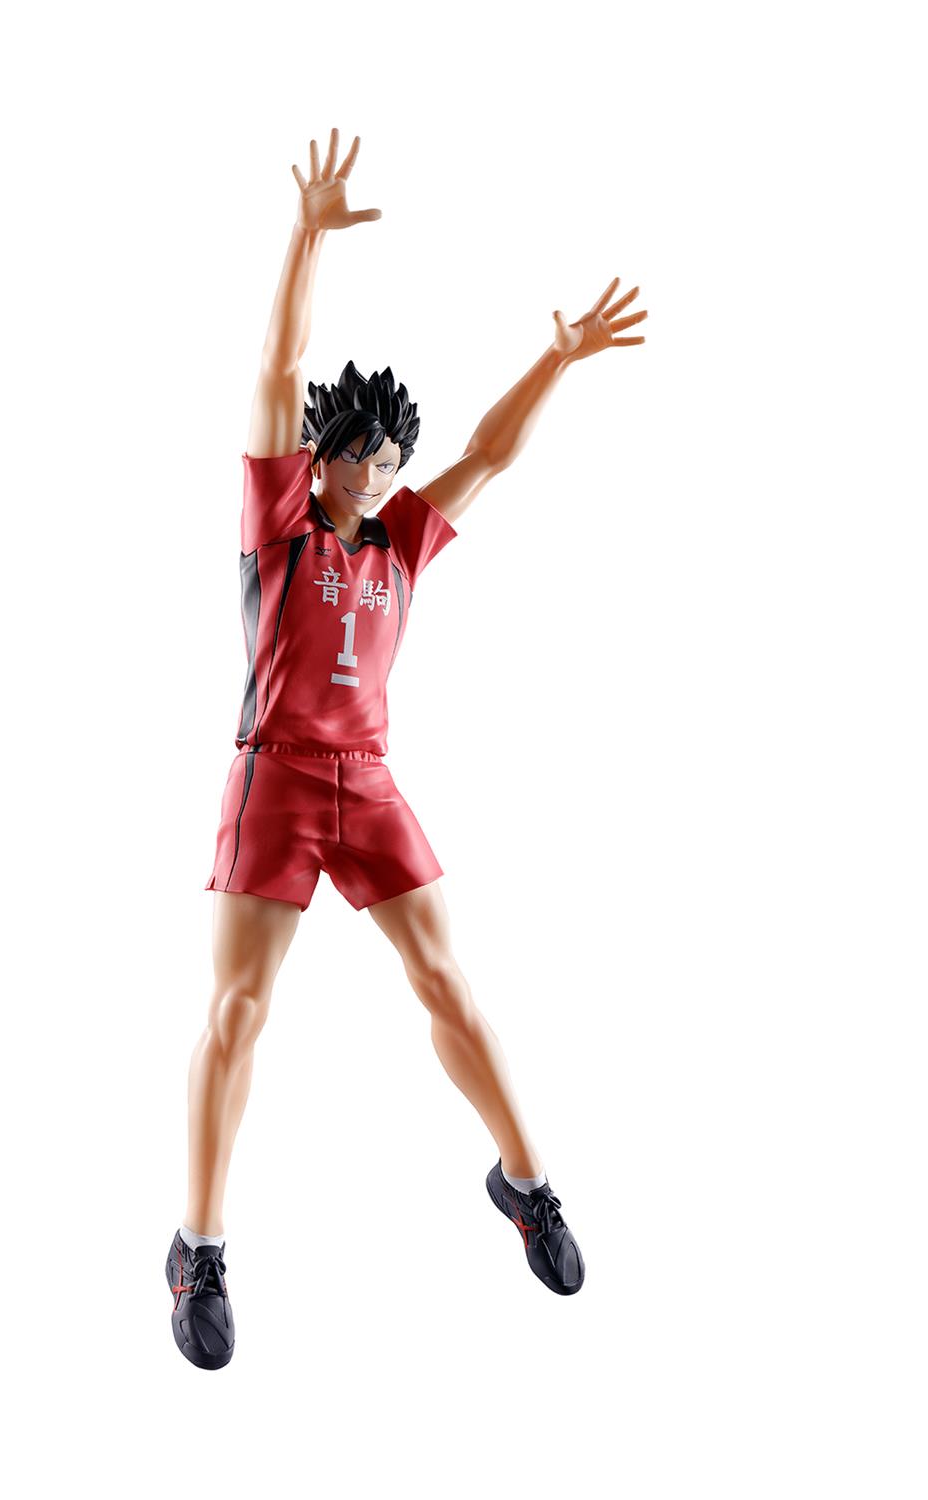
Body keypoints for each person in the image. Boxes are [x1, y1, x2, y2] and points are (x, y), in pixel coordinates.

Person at [166, 129, 645, 1369]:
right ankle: (197, 1247)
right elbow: (278, 366)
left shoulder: (401, 543)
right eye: (359, 458)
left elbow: (488, 455)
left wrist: (556, 358)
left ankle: (526, 1181)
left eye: (388, 463)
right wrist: (306, 236)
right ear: (320, 456)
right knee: (239, 1009)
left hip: (371, 785)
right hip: (275, 777)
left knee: (448, 981)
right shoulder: (280, 521)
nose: (376, 477)